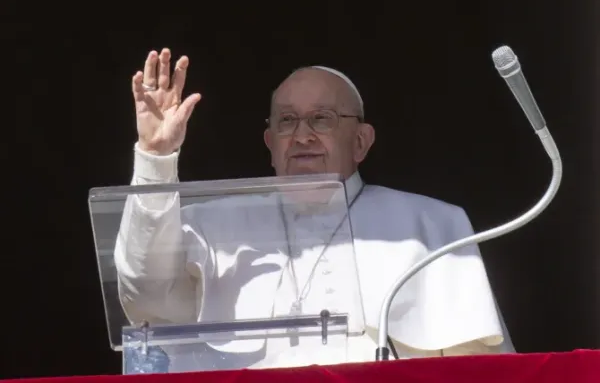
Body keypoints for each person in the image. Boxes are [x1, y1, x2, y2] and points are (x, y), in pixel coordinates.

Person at [114, 48, 514, 372]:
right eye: (287, 122)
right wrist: (155, 156)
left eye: (321, 119)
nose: (302, 135)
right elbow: (144, 296)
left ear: (361, 141)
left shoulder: (430, 224)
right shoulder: (212, 222)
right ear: (270, 143)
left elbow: (477, 368)